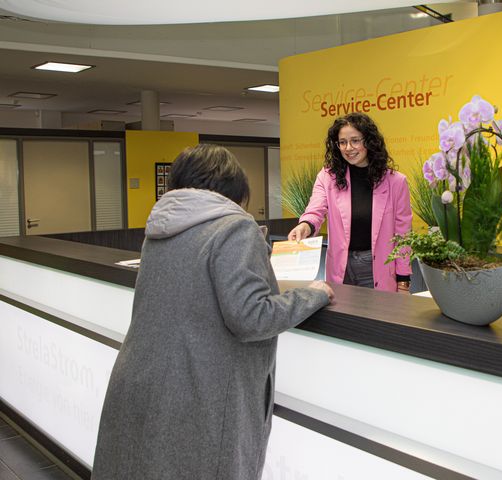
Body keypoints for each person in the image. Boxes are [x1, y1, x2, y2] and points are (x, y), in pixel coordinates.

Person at [92, 144, 334, 480]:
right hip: (198, 395)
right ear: (234, 188)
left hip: (141, 381)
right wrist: (313, 295)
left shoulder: (160, 229)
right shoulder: (234, 228)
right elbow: (252, 317)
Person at [288, 112, 413, 293]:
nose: (348, 148)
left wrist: (403, 281)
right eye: (342, 142)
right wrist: (305, 225)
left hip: (376, 268)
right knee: (342, 321)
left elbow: (403, 235)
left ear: (369, 141)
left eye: (355, 140)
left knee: (375, 321)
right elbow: (315, 210)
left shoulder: (396, 182)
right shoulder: (327, 177)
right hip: (340, 266)